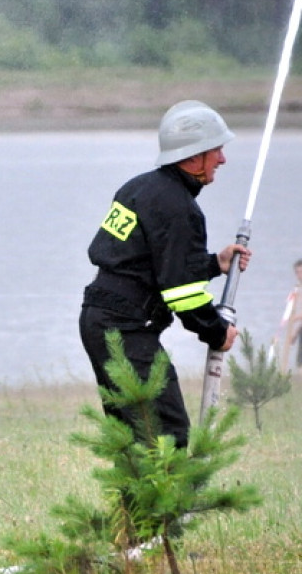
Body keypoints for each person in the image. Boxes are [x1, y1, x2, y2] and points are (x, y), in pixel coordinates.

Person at [79, 100, 251, 448]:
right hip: (127, 330)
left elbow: (144, 264)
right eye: (216, 150)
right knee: (166, 434)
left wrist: (212, 263)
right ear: (193, 157)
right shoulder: (179, 208)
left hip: (97, 321)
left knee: (131, 438)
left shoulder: (138, 188)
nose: (223, 159)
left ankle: (131, 504)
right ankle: (166, 505)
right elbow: (182, 293)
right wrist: (216, 332)